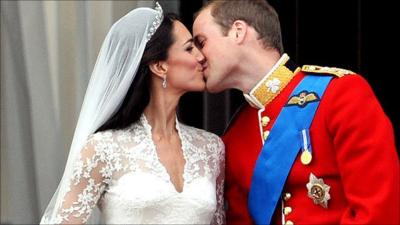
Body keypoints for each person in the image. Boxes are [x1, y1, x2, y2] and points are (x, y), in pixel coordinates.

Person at [193, 0, 399, 224]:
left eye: (201, 43)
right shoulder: (234, 136)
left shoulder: (340, 94)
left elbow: (377, 211)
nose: (197, 57)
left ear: (238, 32)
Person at [40, 3, 225, 224]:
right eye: (189, 48)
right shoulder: (104, 148)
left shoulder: (212, 148)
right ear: (159, 66)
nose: (201, 57)